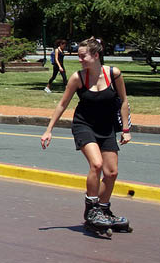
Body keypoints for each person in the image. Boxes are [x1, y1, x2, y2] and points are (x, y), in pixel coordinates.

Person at [41, 37, 132, 235]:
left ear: (96, 55)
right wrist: (49, 130)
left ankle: (103, 210)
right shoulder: (78, 77)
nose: (79, 59)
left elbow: (124, 101)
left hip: (106, 127)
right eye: (78, 56)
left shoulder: (114, 74)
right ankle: (91, 210)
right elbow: (62, 104)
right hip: (84, 125)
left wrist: (125, 129)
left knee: (112, 173)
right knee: (97, 164)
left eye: (83, 56)